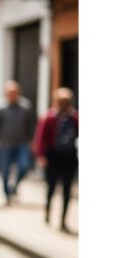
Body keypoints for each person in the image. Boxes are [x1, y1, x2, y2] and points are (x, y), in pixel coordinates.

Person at [34, 87, 79, 232]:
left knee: (67, 189)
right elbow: (41, 137)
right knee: (51, 187)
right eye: (61, 102)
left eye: (66, 102)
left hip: (69, 157)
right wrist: (41, 155)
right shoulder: (49, 117)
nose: (64, 105)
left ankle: (63, 220)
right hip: (53, 156)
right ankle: (48, 213)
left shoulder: (75, 118)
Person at [0, 80, 36, 205]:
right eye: (10, 93)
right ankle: (7, 194)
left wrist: (32, 141)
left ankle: (14, 186)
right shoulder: (1, 108)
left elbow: (31, 124)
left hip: (22, 143)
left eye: (14, 92)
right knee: (4, 170)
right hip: (5, 143)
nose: (12, 95)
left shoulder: (25, 107)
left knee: (24, 166)